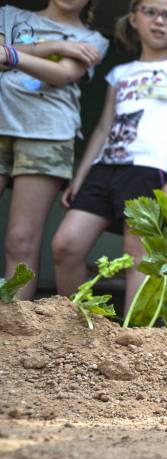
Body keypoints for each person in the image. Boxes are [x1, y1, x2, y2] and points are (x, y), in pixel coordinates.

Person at [52, 0, 167, 310]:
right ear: (134, 18)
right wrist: (80, 176)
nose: (159, 21)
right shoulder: (119, 73)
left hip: (148, 168)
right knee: (66, 245)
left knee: (139, 256)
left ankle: (132, 344)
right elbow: (104, 127)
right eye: (150, 12)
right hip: (104, 168)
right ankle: (78, 330)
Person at [0, 1, 108, 300]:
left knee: (21, 241)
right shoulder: (8, 14)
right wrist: (57, 45)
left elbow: (61, 75)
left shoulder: (93, 39)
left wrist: (13, 52)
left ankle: (12, 330)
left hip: (48, 133)